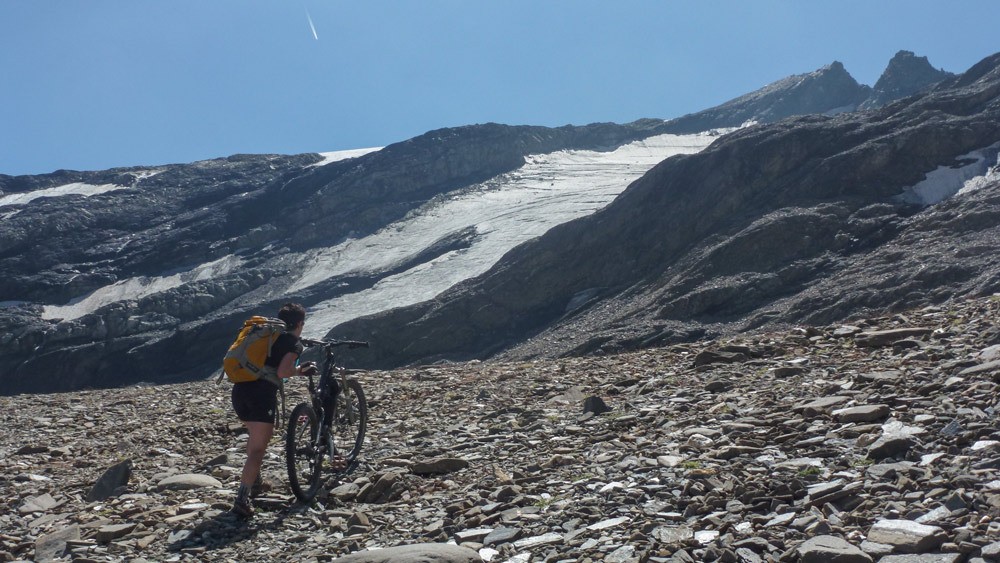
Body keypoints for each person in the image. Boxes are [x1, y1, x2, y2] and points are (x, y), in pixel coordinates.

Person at [230, 302, 316, 518]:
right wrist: (300, 371)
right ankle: (242, 498)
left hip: (240, 390)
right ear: (300, 323)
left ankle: (255, 483)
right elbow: (283, 371)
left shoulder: (266, 335)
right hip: (261, 393)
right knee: (259, 450)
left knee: (254, 439)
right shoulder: (292, 343)